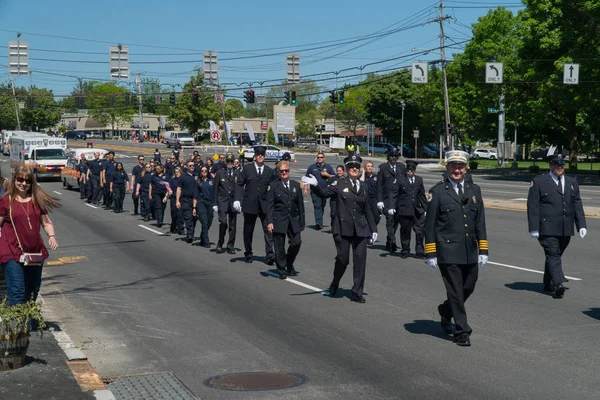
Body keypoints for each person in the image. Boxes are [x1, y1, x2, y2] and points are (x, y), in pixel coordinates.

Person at [424, 150, 488, 346]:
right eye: (453, 166)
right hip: (448, 250)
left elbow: (480, 222)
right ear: (447, 168)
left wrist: (483, 249)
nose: (457, 170)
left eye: (460, 166)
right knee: (456, 292)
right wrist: (431, 252)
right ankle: (462, 331)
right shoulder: (438, 191)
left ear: (466, 168)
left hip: (469, 250)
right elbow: (430, 224)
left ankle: (445, 310)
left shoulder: (474, 190)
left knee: (468, 286)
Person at [302, 155, 378, 304]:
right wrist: (315, 185)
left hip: (361, 229)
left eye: (357, 167)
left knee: (360, 261)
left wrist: (373, 229)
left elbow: (367, 209)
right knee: (343, 259)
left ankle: (357, 292)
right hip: (343, 228)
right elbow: (324, 194)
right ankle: (335, 281)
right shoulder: (339, 183)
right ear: (347, 169)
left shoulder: (363, 186)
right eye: (351, 167)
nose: (354, 169)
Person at [527, 154, 587, 298]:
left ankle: (548, 283)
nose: (560, 168)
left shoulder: (572, 182)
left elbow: (577, 204)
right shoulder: (539, 181)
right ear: (550, 165)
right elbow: (533, 205)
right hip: (546, 227)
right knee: (553, 254)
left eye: (562, 165)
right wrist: (534, 227)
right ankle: (558, 283)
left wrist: (581, 225)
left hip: (565, 227)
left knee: (556, 255)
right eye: (556, 165)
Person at [0, 166, 60, 305]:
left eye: (27, 181)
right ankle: (18, 325)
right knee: (17, 290)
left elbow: (46, 223)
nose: (23, 183)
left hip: (34, 251)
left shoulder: (37, 200)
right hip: (11, 251)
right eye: (20, 179)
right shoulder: (6, 201)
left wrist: (51, 236)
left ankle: (29, 322)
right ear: (14, 180)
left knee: (32, 290)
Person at [234, 146, 275, 264]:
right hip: (250, 204)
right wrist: (237, 199)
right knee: (248, 230)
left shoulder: (269, 171)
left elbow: (273, 187)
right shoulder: (247, 169)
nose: (260, 156)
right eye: (258, 155)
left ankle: (270, 254)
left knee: (269, 230)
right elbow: (239, 184)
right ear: (255, 157)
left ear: (265, 157)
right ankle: (248, 253)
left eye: (262, 155)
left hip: (264, 204)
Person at [267, 160, 305, 279]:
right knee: (279, 246)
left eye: (286, 170)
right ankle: (282, 268)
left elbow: (300, 205)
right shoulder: (273, 186)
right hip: (279, 219)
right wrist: (269, 222)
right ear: (278, 172)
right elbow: (270, 206)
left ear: (289, 171)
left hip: (293, 219)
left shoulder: (296, 185)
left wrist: (302, 222)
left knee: (296, 243)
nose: (284, 172)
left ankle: (289, 262)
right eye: (282, 171)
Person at [396, 161, 427, 259]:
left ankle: (420, 251)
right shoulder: (401, 180)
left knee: (420, 231)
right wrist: (392, 207)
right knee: (405, 231)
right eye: (408, 170)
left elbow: (422, 194)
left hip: (418, 210)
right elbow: (395, 194)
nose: (409, 172)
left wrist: (426, 208)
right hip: (405, 210)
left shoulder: (419, 180)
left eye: (411, 170)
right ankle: (405, 250)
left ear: (415, 171)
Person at [377, 149, 405, 252]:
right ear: (388, 157)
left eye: (395, 156)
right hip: (387, 199)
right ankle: (392, 241)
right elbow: (379, 186)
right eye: (392, 156)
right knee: (390, 220)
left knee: (396, 221)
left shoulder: (401, 167)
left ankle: (389, 240)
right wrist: (379, 200)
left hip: (398, 198)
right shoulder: (383, 168)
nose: (393, 158)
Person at [213, 153, 241, 254]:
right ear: (225, 162)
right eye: (228, 162)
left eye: (231, 162)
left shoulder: (238, 173)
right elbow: (215, 189)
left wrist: (239, 201)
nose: (229, 164)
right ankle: (220, 243)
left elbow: (240, 188)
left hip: (233, 202)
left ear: (234, 163)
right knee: (223, 223)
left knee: (233, 225)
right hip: (222, 202)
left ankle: (230, 246)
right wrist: (215, 203)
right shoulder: (220, 173)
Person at [303, 153, 335, 230]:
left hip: (325, 190)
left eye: (321, 157)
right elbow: (306, 179)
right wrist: (305, 189)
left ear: (324, 158)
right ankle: (318, 223)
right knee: (317, 206)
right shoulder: (312, 167)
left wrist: (327, 175)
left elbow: (334, 177)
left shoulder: (328, 167)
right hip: (315, 190)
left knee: (322, 206)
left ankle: (319, 220)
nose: (319, 158)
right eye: (318, 157)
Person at [176, 160, 199, 243]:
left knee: (194, 218)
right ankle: (190, 234)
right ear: (186, 166)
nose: (192, 167)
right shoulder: (183, 177)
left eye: (193, 165)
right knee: (188, 217)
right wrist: (177, 201)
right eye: (190, 165)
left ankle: (191, 231)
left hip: (196, 199)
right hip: (186, 199)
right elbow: (179, 189)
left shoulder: (197, 175)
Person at [194, 166, 214, 248]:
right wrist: (194, 208)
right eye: (202, 170)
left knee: (209, 221)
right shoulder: (198, 182)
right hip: (201, 202)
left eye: (206, 170)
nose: (204, 172)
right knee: (204, 221)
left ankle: (202, 237)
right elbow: (195, 196)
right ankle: (206, 241)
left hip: (210, 203)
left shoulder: (212, 181)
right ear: (200, 172)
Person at [360, 161, 380, 232]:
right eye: (368, 166)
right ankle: (371, 231)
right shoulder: (362, 176)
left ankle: (371, 228)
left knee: (377, 216)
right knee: (368, 216)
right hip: (366, 199)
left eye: (371, 166)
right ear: (365, 167)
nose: (370, 168)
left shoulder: (376, 177)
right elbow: (361, 182)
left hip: (374, 198)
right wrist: (363, 172)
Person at [169, 167, 184, 234]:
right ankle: (173, 227)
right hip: (174, 198)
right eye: (175, 172)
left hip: (181, 198)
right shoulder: (172, 180)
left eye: (178, 171)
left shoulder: (183, 180)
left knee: (180, 214)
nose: (176, 173)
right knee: (174, 214)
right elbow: (169, 189)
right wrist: (167, 195)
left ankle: (181, 229)